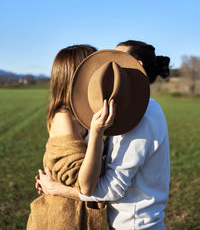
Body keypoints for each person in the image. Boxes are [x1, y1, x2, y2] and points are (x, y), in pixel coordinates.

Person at [36, 40, 170, 230]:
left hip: (136, 225)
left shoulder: (142, 117)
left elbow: (112, 186)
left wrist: (57, 189)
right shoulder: (125, 111)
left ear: (137, 66)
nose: (106, 66)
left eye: (118, 60)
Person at [27, 44, 116, 230]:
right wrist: (98, 133)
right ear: (76, 76)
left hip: (78, 217)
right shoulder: (63, 117)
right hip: (61, 220)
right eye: (92, 67)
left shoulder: (85, 114)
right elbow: (85, 187)